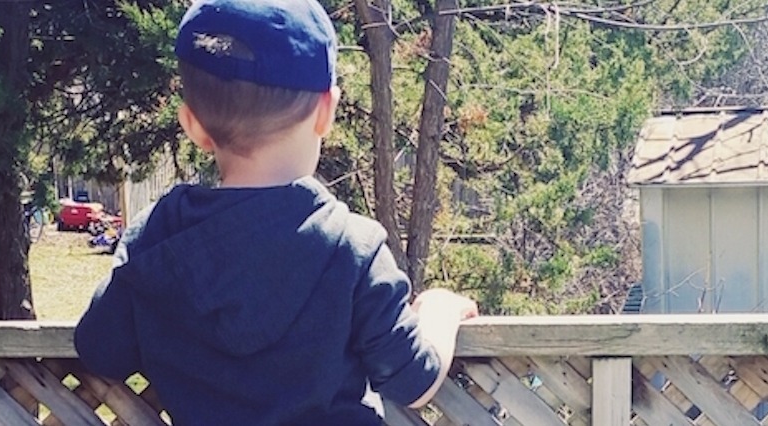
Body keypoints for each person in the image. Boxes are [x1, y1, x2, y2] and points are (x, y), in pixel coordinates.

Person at [73, 0, 479, 424]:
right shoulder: (352, 247)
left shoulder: (160, 236)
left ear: (193, 125)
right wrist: (439, 310)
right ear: (327, 111)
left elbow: (101, 349)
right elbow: (414, 380)